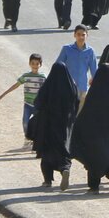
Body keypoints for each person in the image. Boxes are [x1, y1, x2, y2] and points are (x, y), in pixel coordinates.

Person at [69, 62, 109, 193]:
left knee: (94, 156)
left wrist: (78, 125)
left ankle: (94, 187)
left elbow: (86, 111)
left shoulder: (95, 91)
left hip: (96, 130)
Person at [30, 62, 77, 190]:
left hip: (48, 126)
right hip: (65, 126)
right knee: (64, 150)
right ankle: (64, 169)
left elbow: (38, 103)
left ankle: (47, 181)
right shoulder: (71, 86)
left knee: (47, 155)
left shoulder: (48, 85)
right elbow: (76, 104)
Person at [0, 53, 46, 144]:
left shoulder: (43, 77)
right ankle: (27, 138)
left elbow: (48, 89)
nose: (35, 65)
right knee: (25, 122)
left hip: (38, 105)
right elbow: (16, 85)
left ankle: (36, 141)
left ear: (40, 64)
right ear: (29, 64)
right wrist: (4, 94)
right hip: (27, 104)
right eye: (33, 63)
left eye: (37, 63)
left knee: (38, 124)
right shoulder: (26, 76)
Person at [55, 25, 98, 99]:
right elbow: (57, 66)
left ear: (87, 35)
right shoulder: (67, 49)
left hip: (82, 87)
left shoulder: (90, 51)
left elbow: (94, 70)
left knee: (80, 110)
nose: (81, 37)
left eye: (83, 35)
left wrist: (96, 83)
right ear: (74, 35)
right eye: (78, 34)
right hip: (67, 87)